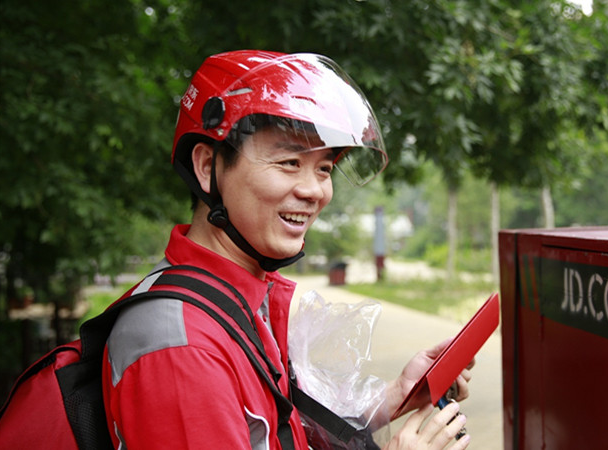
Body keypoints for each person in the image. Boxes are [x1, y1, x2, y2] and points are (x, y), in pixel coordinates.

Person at [102, 50, 473, 449]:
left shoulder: (241, 301)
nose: (314, 191)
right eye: (289, 162)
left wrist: (392, 397)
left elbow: (279, 429)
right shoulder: (182, 347)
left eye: (324, 168)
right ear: (208, 166)